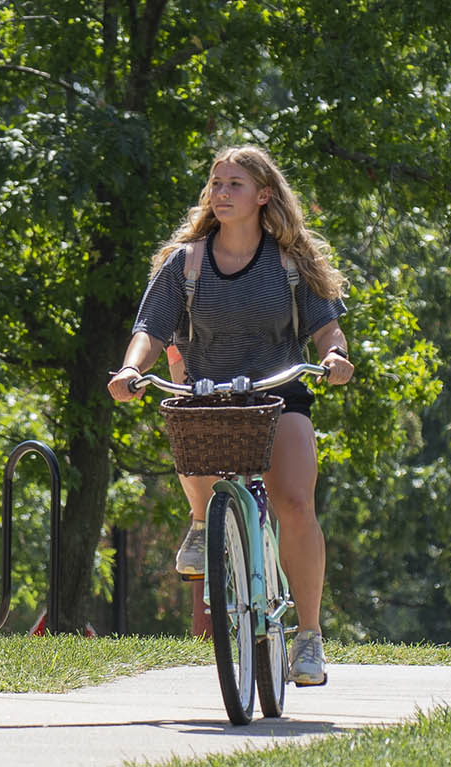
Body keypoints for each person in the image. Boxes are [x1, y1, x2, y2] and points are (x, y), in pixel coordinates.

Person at [106, 146, 353, 687]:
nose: (220, 193)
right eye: (216, 184)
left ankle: (308, 637)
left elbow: (326, 327)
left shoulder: (289, 262)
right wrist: (130, 370)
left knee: (295, 501)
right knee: (186, 424)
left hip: (277, 393)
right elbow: (149, 330)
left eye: (234, 184)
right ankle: (201, 521)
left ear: (263, 195)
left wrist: (334, 356)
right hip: (207, 393)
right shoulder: (186, 263)